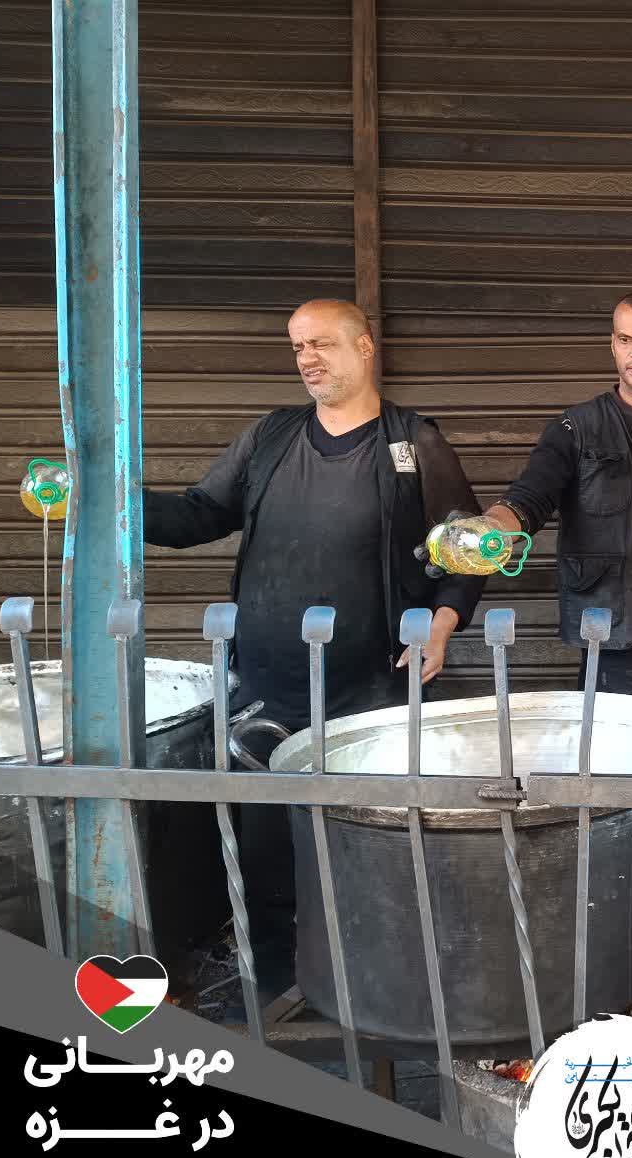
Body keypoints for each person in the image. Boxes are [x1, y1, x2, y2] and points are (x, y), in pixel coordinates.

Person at [144, 298, 485, 1002]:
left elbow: (468, 546)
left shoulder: (413, 443)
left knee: (368, 840)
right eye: (298, 346)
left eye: (322, 344)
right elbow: (197, 515)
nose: (307, 359)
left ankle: (376, 984)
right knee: (268, 844)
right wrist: (114, 499)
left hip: (372, 686)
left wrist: (445, 621)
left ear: (364, 348)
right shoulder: (271, 437)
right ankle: (276, 982)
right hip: (268, 682)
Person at [446, 290, 632, 706]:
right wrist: (493, 528)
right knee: (621, 747)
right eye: (626, 339)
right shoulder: (575, 427)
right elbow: (529, 497)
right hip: (614, 633)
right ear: (613, 345)